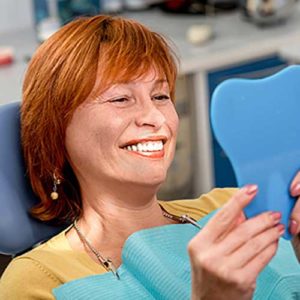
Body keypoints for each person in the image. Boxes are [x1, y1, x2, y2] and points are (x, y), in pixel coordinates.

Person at [0, 15, 299, 300]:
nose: (155, 117)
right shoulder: (38, 280)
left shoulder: (235, 208)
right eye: (120, 99)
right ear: (56, 132)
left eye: (160, 96)